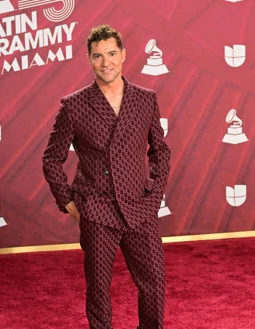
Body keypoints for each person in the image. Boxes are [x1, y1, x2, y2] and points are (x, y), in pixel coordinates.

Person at [42, 24, 171, 329]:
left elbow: (160, 151)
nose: (106, 62)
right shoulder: (73, 106)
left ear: (123, 55)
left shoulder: (145, 99)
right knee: (99, 289)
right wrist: (68, 201)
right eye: (98, 56)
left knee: (153, 284)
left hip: (140, 207)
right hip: (97, 209)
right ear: (89, 59)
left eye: (112, 53)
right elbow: (51, 159)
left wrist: (154, 195)